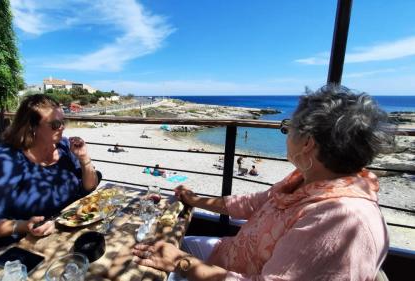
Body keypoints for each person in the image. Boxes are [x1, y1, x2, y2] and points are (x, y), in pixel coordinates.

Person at [132, 85, 392, 280]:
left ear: (308, 142)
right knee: (147, 247)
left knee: (143, 267)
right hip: (228, 256)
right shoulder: (307, 179)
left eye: (288, 127)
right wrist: (194, 199)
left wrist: (182, 263)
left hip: (229, 273)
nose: (286, 133)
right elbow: (250, 203)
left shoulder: (338, 220)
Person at [0, 94, 101, 249]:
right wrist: (24, 225)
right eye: (55, 124)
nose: (62, 127)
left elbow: (89, 187)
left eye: (63, 121)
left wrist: (84, 159)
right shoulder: (3, 161)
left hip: (70, 233)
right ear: (32, 127)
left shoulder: (64, 147)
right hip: (25, 245)